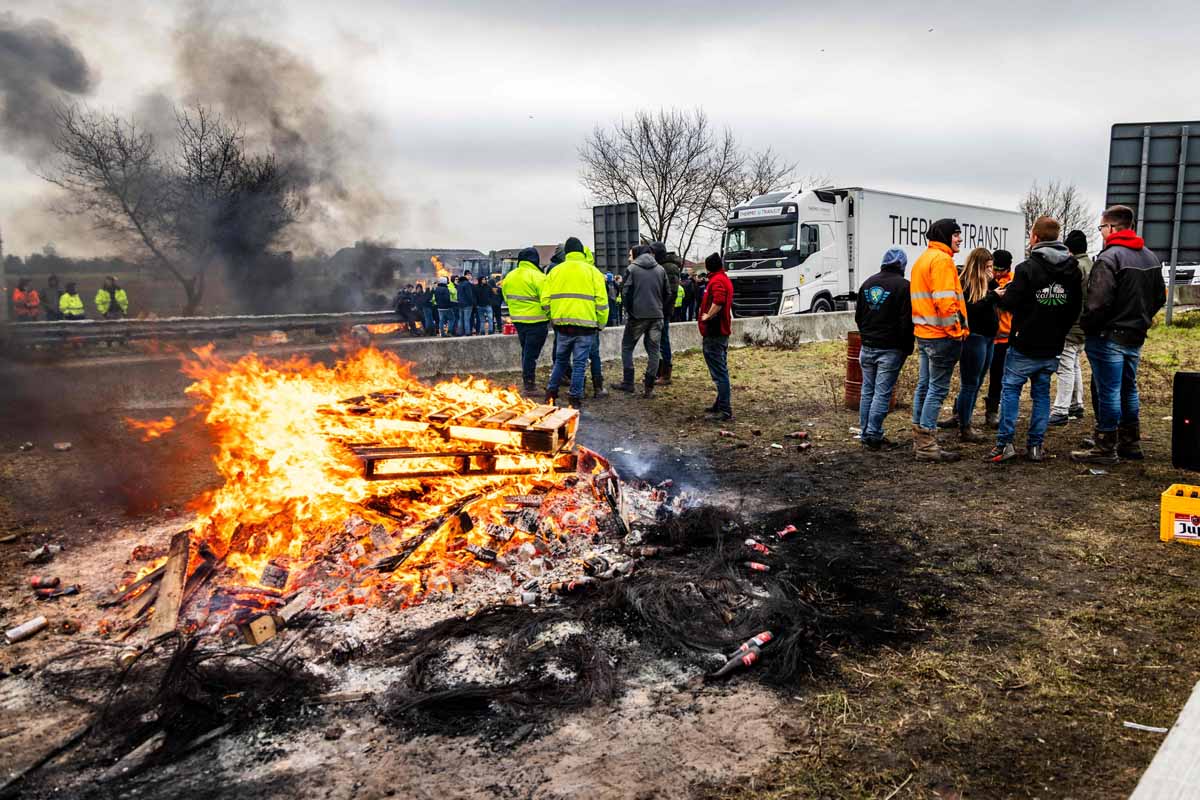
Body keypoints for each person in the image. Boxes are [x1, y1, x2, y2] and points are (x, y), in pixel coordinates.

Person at [1071, 205, 1166, 464]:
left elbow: (1097, 303)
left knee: (1109, 391)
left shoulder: (1109, 258)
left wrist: (1089, 327)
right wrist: (1142, 318)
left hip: (1108, 335)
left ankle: (1105, 446)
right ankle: (1130, 441)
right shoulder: (1149, 257)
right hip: (1135, 334)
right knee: (1128, 388)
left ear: (1112, 227)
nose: (1101, 232)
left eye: (1102, 227)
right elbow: (1159, 296)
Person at [985, 216, 1083, 463]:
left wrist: (999, 297)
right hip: (1053, 343)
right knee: (1041, 394)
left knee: (1010, 391)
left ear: (1036, 238)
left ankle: (1005, 444)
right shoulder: (1072, 268)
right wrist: (1059, 330)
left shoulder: (1027, 268)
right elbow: (1075, 307)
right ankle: (1036, 446)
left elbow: (1011, 302)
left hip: (1024, 342)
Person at [909, 218, 968, 462]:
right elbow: (945, 302)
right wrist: (956, 332)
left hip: (924, 334)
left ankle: (920, 439)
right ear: (945, 236)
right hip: (941, 337)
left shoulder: (923, 259)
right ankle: (927, 446)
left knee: (924, 386)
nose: (960, 239)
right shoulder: (942, 261)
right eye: (956, 234)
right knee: (937, 389)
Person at [938, 248, 1001, 441]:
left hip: (989, 336)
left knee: (978, 380)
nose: (991, 270)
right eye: (987, 267)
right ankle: (964, 426)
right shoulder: (965, 283)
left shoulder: (987, 282)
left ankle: (963, 416)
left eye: (991, 267)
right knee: (970, 382)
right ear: (978, 266)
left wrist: (993, 285)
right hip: (974, 336)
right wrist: (993, 295)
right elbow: (971, 310)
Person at [855, 248, 913, 449]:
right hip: (890, 348)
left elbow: (859, 316)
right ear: (902, 265)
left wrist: (866, 336)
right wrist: (907, 346)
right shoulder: (904, 286)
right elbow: (906, 321)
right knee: (882, 393)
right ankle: (873, 435)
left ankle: (866, 433)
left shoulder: (867, 283)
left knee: (867, 391)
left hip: (867, 347)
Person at [541, 237, 608, 408]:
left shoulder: (555, 271)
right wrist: (600, 323)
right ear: (581, 251)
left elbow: (545, 300)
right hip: (586, 326)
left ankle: (551, 393)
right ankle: (574, 398)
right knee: (579, 364)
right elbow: (602, 302)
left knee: (560, 361)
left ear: (567, 252)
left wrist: (553, 317)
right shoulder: (593, 272)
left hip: (562, 325)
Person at [1049, 230, 1093, 426]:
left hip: (1072, 325)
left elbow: (1066, 298)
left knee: (1065, 367)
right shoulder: (1091, 265)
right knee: (1074, 365)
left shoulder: (1075, 267)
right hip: (1086, 325)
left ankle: (1061, 410)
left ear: (1069, 248)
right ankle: (1076, 404)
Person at [616, 245, 671, 397]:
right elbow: (668, 293)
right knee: (654, 351)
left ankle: (628, 382)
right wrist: (659, 308)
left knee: (627, 347)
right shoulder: (660, 269)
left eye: (630, 255)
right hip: (657, 316)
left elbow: (625, 292)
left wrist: (630, 310)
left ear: (636, 254)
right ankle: (649, 388)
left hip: (637, 316)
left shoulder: (632, 269)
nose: (629, 258)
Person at [503, 247, 550, 392]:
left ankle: (528, 380)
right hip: (537, 321)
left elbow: (506, 298)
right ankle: (529, 385)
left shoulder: (509, 276)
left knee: (526, 351)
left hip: (518, 321)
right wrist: (551, 316)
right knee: (531, 354)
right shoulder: (539, 277)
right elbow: (546, 302)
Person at [698, 252, 734, 420]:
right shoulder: (722, 278)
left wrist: (707, 316)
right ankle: (720, 404)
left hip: (715, 331)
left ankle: (725, 410)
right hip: (720, 331)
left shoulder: (717, 280)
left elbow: (719, 301)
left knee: (719, 372)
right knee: (721, 369)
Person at [982, 250, 1014, 428]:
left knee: (997, 376)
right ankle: (959, 412)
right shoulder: (983, 278)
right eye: (994, 269)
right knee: (972, 376)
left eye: (1001, 270)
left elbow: (1006, 303)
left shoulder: (1013, 281)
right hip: (985, 335)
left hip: (1003, 338)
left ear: (1008, 268)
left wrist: (993, 288)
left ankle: (992, 411)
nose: (997, 273)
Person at [654, 243, 681, 385]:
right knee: (659, 342)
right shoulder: (663, 266)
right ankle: (659, 371)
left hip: (663, 311)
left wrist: (660, 308)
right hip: (660, 309)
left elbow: (671, 292)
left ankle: (665, 374)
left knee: (663, 341)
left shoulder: (669, 267)